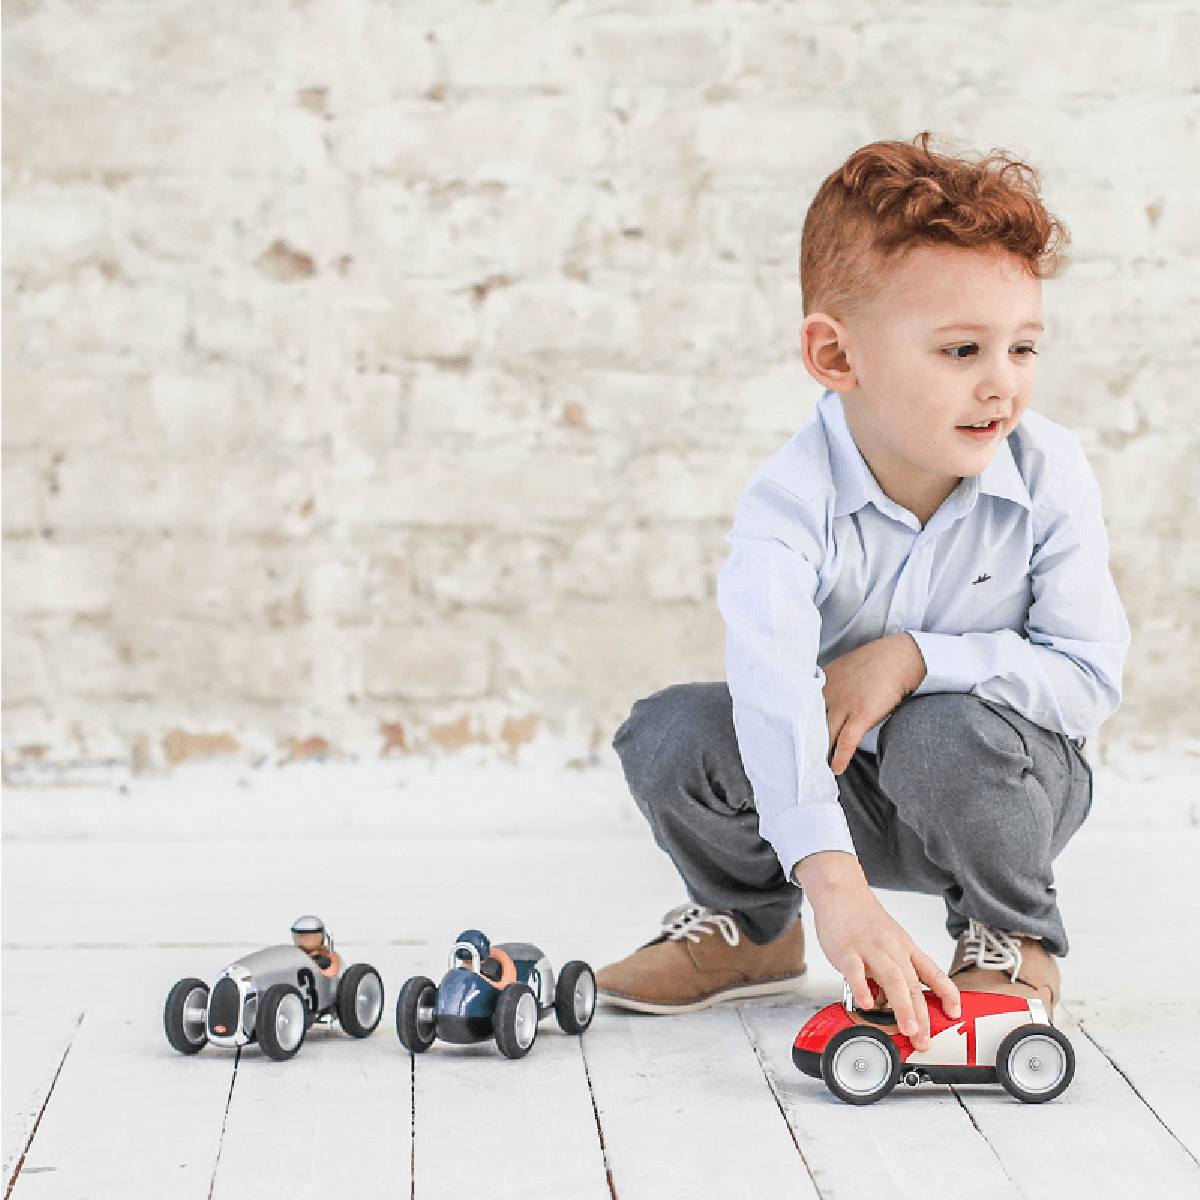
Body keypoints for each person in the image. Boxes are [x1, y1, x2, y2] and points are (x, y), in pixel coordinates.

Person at [596, 133, 1129, 1051]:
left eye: (1023, 347)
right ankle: (752, 928)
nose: (1002, 383)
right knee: (669, 732)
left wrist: (920, 659)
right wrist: (834, 888)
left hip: (1003, 783)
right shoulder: (787, 503)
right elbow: (770, 691)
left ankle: (1010, 931)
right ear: (836, 357)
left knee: (939, 725)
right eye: (963, 349)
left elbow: (1086, 682)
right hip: (845, 795)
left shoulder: (1051, 474)